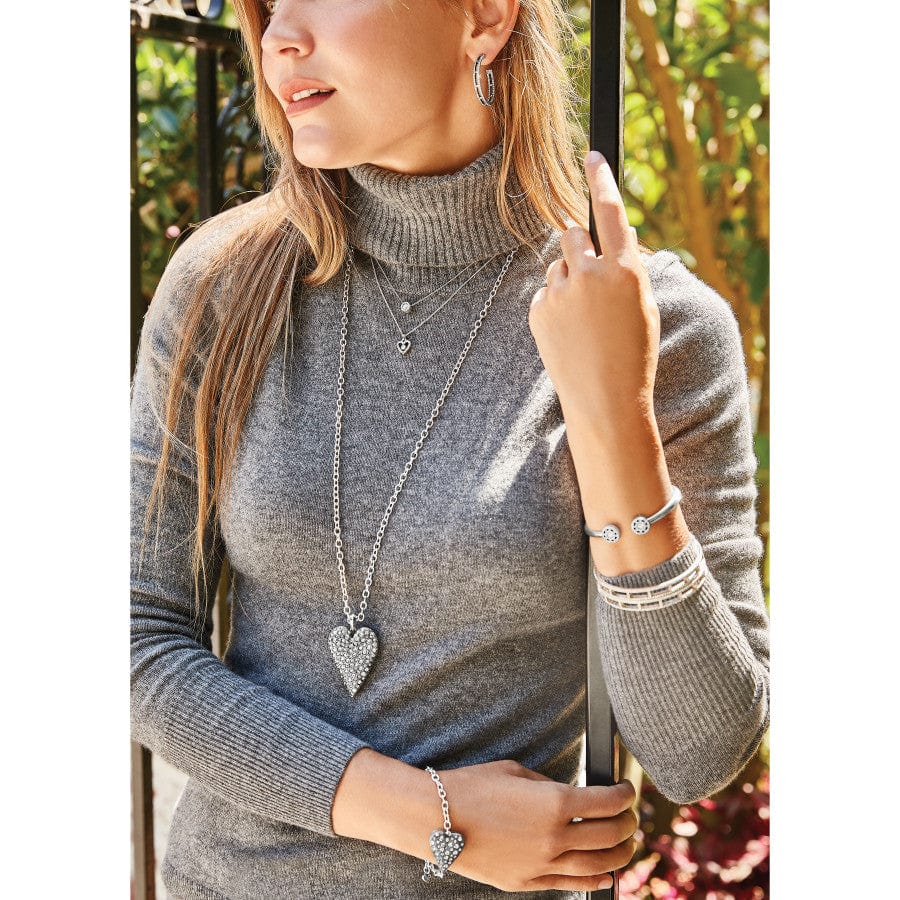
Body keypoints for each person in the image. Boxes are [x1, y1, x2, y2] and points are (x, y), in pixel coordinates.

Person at [130, 0, 770, 897]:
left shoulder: (656, 324)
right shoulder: (225, 287)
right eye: (269, 3)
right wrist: (429, 817)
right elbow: (134, 636)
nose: (279, 36)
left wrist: (612, 414)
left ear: (486, 16)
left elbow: (698, 752)